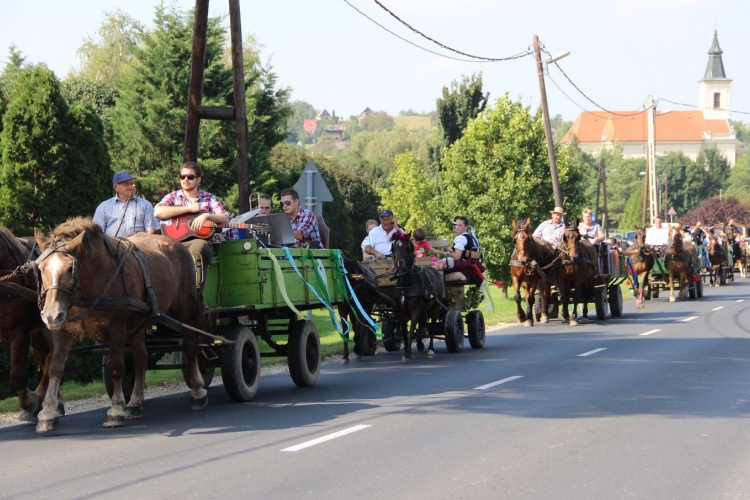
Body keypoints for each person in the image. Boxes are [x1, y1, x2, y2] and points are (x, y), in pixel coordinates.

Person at [154, 161, 229, 289]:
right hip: (173, 240)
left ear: (198, 179)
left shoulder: (208, 198)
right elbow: (158, 212)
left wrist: (207, 215)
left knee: (198, 249)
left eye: (190, 177)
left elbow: (225, 218)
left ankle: (195, 295)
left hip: (198, 240)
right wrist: (189, 209)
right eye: (182, 176)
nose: (186, 179)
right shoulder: (173, 196)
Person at [93, 171, 159, 237]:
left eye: (132, 183)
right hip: (111, 246)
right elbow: (96, 233)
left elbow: (151, 230)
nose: (131, 187)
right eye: (126, 184)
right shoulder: (104, 207)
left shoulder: (145, 205)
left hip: (137, 246)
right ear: (116, 187)